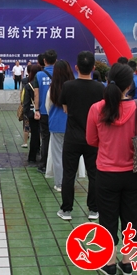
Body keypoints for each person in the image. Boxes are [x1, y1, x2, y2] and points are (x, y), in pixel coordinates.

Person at [86, 63, 137, 275]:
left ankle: (110, 263)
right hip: (133, 173)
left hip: (106, 173)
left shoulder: (97, 109)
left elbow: (91, 140)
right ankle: (127, 262)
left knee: (108, 217)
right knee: (132, 217)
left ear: (108, 81)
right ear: (129, 85)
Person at [57, 51, 105, 221]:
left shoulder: (68, 86)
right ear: (93, 67)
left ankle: (66, 210)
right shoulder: (100, 88)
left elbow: (65, 108)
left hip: (72, 137)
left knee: (69, 174)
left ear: (76, 67)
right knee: (94, 174)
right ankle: (93, 209)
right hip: (94, 138)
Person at [46, 60, 74, 192]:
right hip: (73, 124)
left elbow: (48, 106)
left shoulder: (53, 88)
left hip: (56, 124)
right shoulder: (74, 87)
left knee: (57, 156)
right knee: (71, 156)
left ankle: (59, 184)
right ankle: (70, 182)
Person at [33, 49, 57, 174]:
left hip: (43, 111)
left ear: (44, 60)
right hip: (57, 111)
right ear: (56, 60)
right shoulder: (60, 74)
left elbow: (36, 94)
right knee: (57, 139)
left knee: (45, 138)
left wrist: (36, 109)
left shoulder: (39, 75)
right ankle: (56, 164)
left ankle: (43, 164)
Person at [24, 64, 42, 164]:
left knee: (34, 134)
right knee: (45, 135)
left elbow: (26, 101)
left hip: (32, 112)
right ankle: (43, 155)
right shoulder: (44, 84)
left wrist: (26, 113)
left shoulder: (29, 85)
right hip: (44, 111)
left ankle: (32, 157)